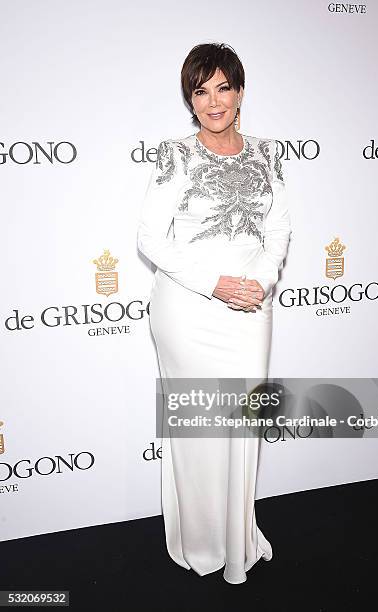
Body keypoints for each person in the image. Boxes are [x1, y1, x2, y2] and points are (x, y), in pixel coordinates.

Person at [137, 42, 292, 584]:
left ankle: (237, 536)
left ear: (240, 91)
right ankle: (203, 542)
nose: (213, 100)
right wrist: (215, 284)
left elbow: (278, 230)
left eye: (222, 86)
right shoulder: (174, 156)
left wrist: (262, 281)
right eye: (200, 91)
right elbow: (151, 238)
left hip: (251, 305)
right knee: (200, 427)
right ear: (191, 101)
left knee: (243, 426)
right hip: (189, 306)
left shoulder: (269, 153)